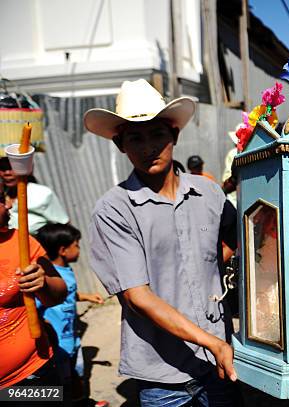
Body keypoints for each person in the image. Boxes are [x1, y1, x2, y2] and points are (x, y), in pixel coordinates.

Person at [83, 79, 239, 406]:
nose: (148, 147)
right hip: (161, 375)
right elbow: (138, 297)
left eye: (157, 135)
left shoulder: (209, 192)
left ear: (174, 136)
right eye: (135, 138)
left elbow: (237, 239)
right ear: (120, 145)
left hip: (220, 364)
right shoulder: (115, 209)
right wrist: (211, 342)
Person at [0, 190, 67, 388]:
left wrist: (43, 283)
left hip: (32, 374)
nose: (10, 205)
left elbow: (59, 294)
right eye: (1, 200)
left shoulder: (19, 241)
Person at [35, 223, 104, 395]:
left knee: (78, 375)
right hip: (57, 345)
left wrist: (86, 297)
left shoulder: (66, 270)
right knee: (63, 385)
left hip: (73, 339)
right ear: (63, 250)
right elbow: (36, 307)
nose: (79, 249)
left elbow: (68, 293)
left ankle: (83, 400)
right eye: (77, 245)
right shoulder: (46, 278)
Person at [0, 157, 69, 235]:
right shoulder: (3, 193)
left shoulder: (42, 193)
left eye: (12, 168)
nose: (7, 173)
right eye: (2, 168)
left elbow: (64, 225)